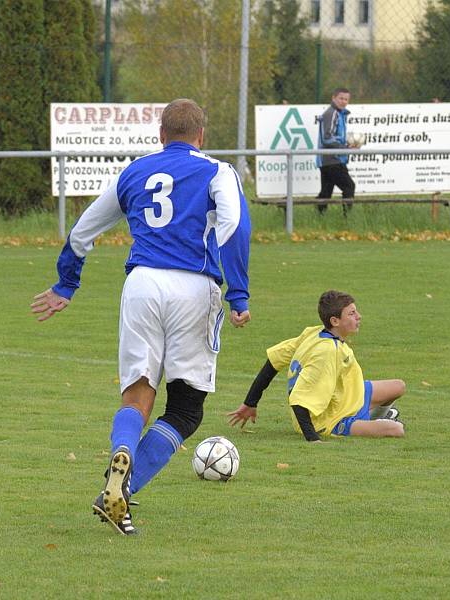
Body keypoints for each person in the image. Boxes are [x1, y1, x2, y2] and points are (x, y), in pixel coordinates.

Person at [31, 98, 252, 535]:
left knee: (137, 395)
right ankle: (124, 488)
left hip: (142, 285)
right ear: (201, 136)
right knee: (186, 410)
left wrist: (66, 284)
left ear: (161, 135)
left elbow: (82, 231)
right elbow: (234, 227)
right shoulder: (216, 170)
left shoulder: (134, 172)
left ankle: (121, 457)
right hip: (193, 286)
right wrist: (239, 293)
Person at [227, 290, 405, 441]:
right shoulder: (326, 353)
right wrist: (313, 438)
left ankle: (372, 419)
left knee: (398, 386)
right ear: (335, 321)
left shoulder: (315, 332)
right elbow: (299, 399)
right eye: (351, 314)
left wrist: (251, 402)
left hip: (348, 397)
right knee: (396, 430)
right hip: (332, 419)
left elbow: (273, 362)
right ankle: (371, 423)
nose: (359, 317)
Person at [315, 87, 357, 215]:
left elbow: (335, 137)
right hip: (332, 159)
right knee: (349, 186)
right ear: (333, 98)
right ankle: (347, 217)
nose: (344, 101)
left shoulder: (339, 114)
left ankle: (320, 218)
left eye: (346, 99)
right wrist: (345, 148)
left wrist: (347, 144)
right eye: (341, 98)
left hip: (328, 160)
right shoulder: (332, 113)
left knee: (326, 192)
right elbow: (327, 139)